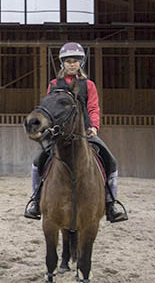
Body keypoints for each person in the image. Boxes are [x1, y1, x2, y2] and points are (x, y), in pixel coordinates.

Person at [24, 41, 128, 223]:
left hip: (84, 132)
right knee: (38, 161)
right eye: (68, 61)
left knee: (111, 161)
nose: (72, 64)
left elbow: (93, 107)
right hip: (59, 134)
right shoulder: (54, 84)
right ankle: (36, 200)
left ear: (81, 63)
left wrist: (94, 127)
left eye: (75, 61)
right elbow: (50, 109)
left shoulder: (88, 85)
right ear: (62, 63)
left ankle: (111, 204)